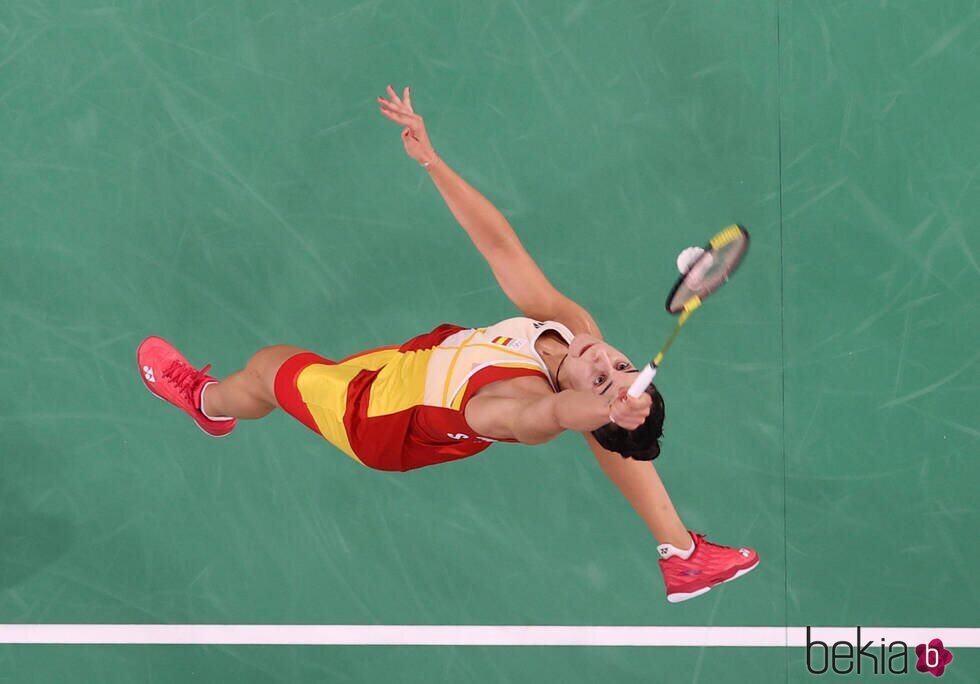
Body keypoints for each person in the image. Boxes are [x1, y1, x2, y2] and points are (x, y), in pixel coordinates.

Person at [137, 85, 759, 603]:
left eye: (601, 379)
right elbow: (500, 247)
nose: (602, 360)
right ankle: (681, 552)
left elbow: (556, 414)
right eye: (620, 365)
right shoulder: (575, 331)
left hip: (378, 420)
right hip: (421, 361)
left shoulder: (516, 407)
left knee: (269, 367)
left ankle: (206, 405)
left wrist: (605, 408)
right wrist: (432, 161)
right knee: (609, 424)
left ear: (578, 400)